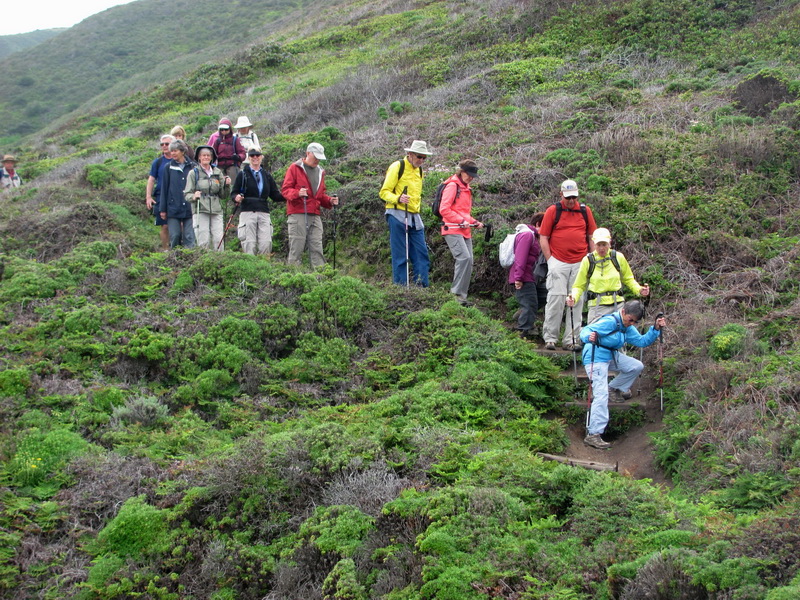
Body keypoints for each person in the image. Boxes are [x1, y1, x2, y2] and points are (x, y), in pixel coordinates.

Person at [579, 300, 666, 449]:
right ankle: (593, 434)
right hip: (595, 356)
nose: (631, 323)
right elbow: (585, 331)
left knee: (636, 366)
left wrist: (655, 329)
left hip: (611, 355)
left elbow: (641, 341)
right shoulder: (610, 321)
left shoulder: (627, 327)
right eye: (630, 320)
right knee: (601, 395)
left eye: (635, 322)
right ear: (623, 312)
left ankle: (612, 388)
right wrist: (589, 337)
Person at [538, 179, 597, 351]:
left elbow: (591, 235)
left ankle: (571, 339)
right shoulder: (553, 211)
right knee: (556, 298)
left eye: (574, 197)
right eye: (568, 197)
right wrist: (550, 260)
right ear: (561, 195)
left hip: (580, 262)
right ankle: (550, 338)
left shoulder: (585, 211)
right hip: (558, 261)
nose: (571, 201)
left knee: (576, 301)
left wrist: (591, 259)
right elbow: (543, 237)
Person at [567, 227, 650, 324]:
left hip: (618, 306)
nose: (601, 248)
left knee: (620, 336)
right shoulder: (588, 260)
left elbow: (629, 279)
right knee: (594, 336)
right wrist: (574, 298)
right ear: (594, 244)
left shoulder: (618, 257)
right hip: (597, 307)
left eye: (604, 244)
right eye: (598, 245)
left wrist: (639, 290)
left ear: (609, 243)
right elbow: (579, 285)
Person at [379, 140, 433, 287]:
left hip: (414, 216)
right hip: (397, 214)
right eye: (419, 156)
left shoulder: (420, 170)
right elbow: (384, 192)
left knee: (421, 254)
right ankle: (401, 290)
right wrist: (398, 198)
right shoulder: (397, 167)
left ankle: (421, 288)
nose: (421, 160)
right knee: (400, 255)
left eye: (424, 157)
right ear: (410, 154)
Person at [281, 142, 339, 268]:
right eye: (316, 156)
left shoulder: (320, 172)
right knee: (297, 248)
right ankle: (293, 280)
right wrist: (297, 193)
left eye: (319, 157)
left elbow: (320, 195)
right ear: (308, 153)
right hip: (297, 214)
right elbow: (285, 190)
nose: (317, 160)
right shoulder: (294, 168)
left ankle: (321, 279)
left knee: (317, 247)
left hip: (315, 214)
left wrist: (329, 201)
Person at [439, 159, 483, 305]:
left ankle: (462, 296)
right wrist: (460, 220)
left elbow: (463, 212)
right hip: (451, 228)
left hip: (464, 229)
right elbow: (444, 209)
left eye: (472, 176)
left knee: (469, 260)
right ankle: (456, 295)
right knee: (463, 258)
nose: (470, 178)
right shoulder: (452, 186)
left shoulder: (466, 188)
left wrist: (474, 222)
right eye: (469, 174)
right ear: (461, 171)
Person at [231, 148, 285, 255]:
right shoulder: (242, 174)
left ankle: (264, 267)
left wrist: (290, 195)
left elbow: (275, 195)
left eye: (257, 155)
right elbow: (233, 193)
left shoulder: (267, 175)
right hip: (247, 212)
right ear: (248, 158)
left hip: (264, 212)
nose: (255, 157)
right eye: (252, 156)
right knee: (249, 244)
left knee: (266, 243)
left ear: (261, 157)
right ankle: (249, 269)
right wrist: (236, 197)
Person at [184, 145, 231, 250]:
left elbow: (223, 195)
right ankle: (204, 262)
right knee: (203, 239)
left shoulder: (217, 172)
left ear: (211, 158)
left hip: (216, 210)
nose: (206, 157)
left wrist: (227, 185)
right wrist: (194, 196)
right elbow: (187, 194)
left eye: (208, 155)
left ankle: (220, 261)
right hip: (200, 209)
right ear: (199, 157)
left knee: (218, 239)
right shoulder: (193, 173)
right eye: (203, 155)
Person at [508, 214, 542, 338]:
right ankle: (523, 332)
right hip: (523, 276)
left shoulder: (532, 236)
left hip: (528, 275)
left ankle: (523, 317)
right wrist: (518, 278)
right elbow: (520, 258)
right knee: (530, 303)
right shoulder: (528, 235)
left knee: (537, 298)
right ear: (538, 224)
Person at [158, 139, 196, 249]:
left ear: (182, 151)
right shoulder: (168, 168)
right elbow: (164, 189)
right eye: (171, 151)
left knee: (189, 236)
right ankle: (174, 261)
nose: (173, 153)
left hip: (189, 208)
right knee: (175, 235)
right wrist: (163, 209)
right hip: (173, 209)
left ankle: (190, 261)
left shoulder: (193, 166)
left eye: (175, 151)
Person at [145, 135, 175, 250]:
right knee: (164, 226)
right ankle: (166, 251)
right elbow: (151, 179)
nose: (164, 146)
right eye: (162, 144)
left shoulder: (180, 160)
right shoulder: (157, 162)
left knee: (180, 224)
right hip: (161, 196)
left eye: (167, 144)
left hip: (177, 196)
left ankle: (181, 249)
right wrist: (148, 196)